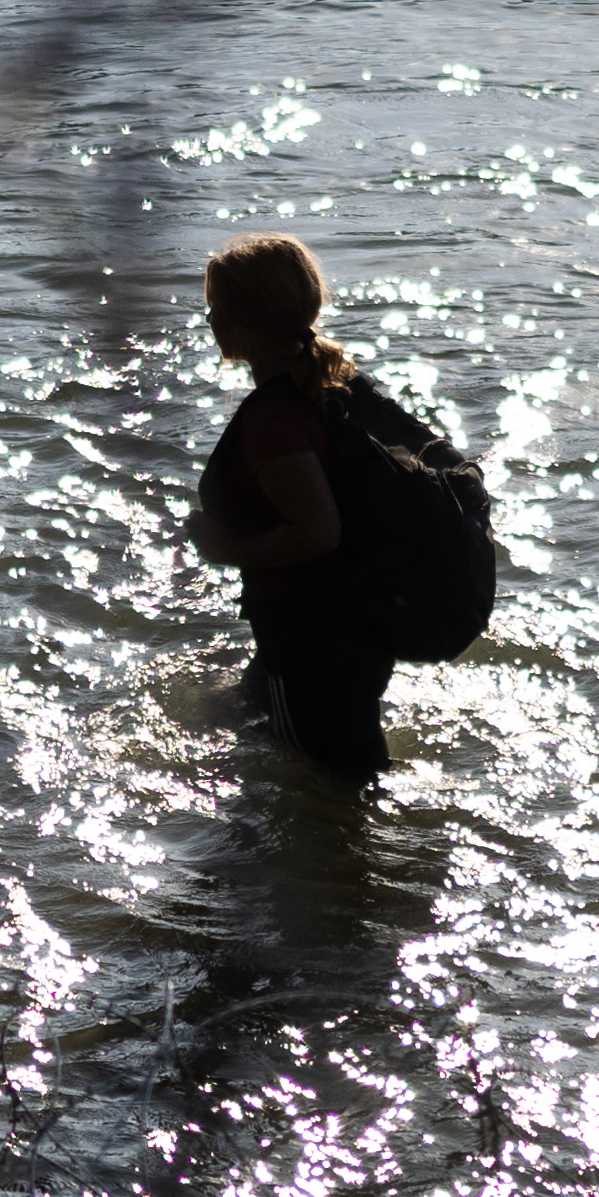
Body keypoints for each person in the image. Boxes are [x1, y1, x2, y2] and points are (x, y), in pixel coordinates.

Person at [188, 231, 390, 783]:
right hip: (348, 624)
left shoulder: (274, 421)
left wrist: (227, 548)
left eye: (215, 308)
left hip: (312, 639)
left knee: (335, 791)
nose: (209, 321)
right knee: (239, 729)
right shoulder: (332, 385)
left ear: (242, 320)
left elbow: (317, 531)